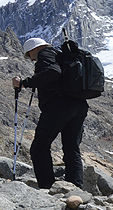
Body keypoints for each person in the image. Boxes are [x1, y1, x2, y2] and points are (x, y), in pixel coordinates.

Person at [13, 38, 88, 189]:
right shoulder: (61, 55)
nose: (31, 59)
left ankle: (47, 187)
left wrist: (25, 82)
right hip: (79, 104)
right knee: (71, 147)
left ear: (34, 49)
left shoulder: (45, 53)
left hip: (58, 105)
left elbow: (53, 72)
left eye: (29, 55)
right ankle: (75, 188)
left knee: (39, 147)